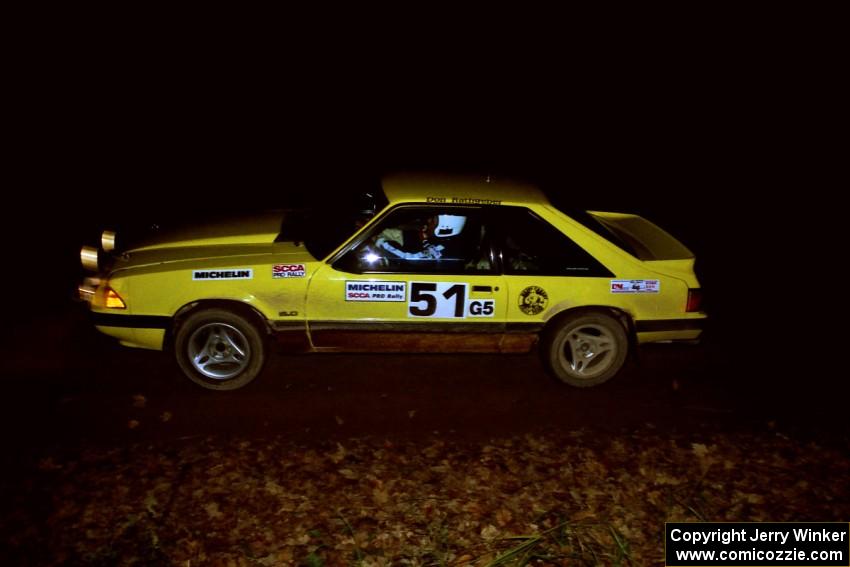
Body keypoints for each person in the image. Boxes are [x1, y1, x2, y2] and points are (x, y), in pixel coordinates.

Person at [374, 213, 466, 261]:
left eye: (433, 221)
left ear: (444, 227)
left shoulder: (445, 250)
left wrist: (381, 242)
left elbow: (407, 258)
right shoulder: (441, 240)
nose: (428, 220)